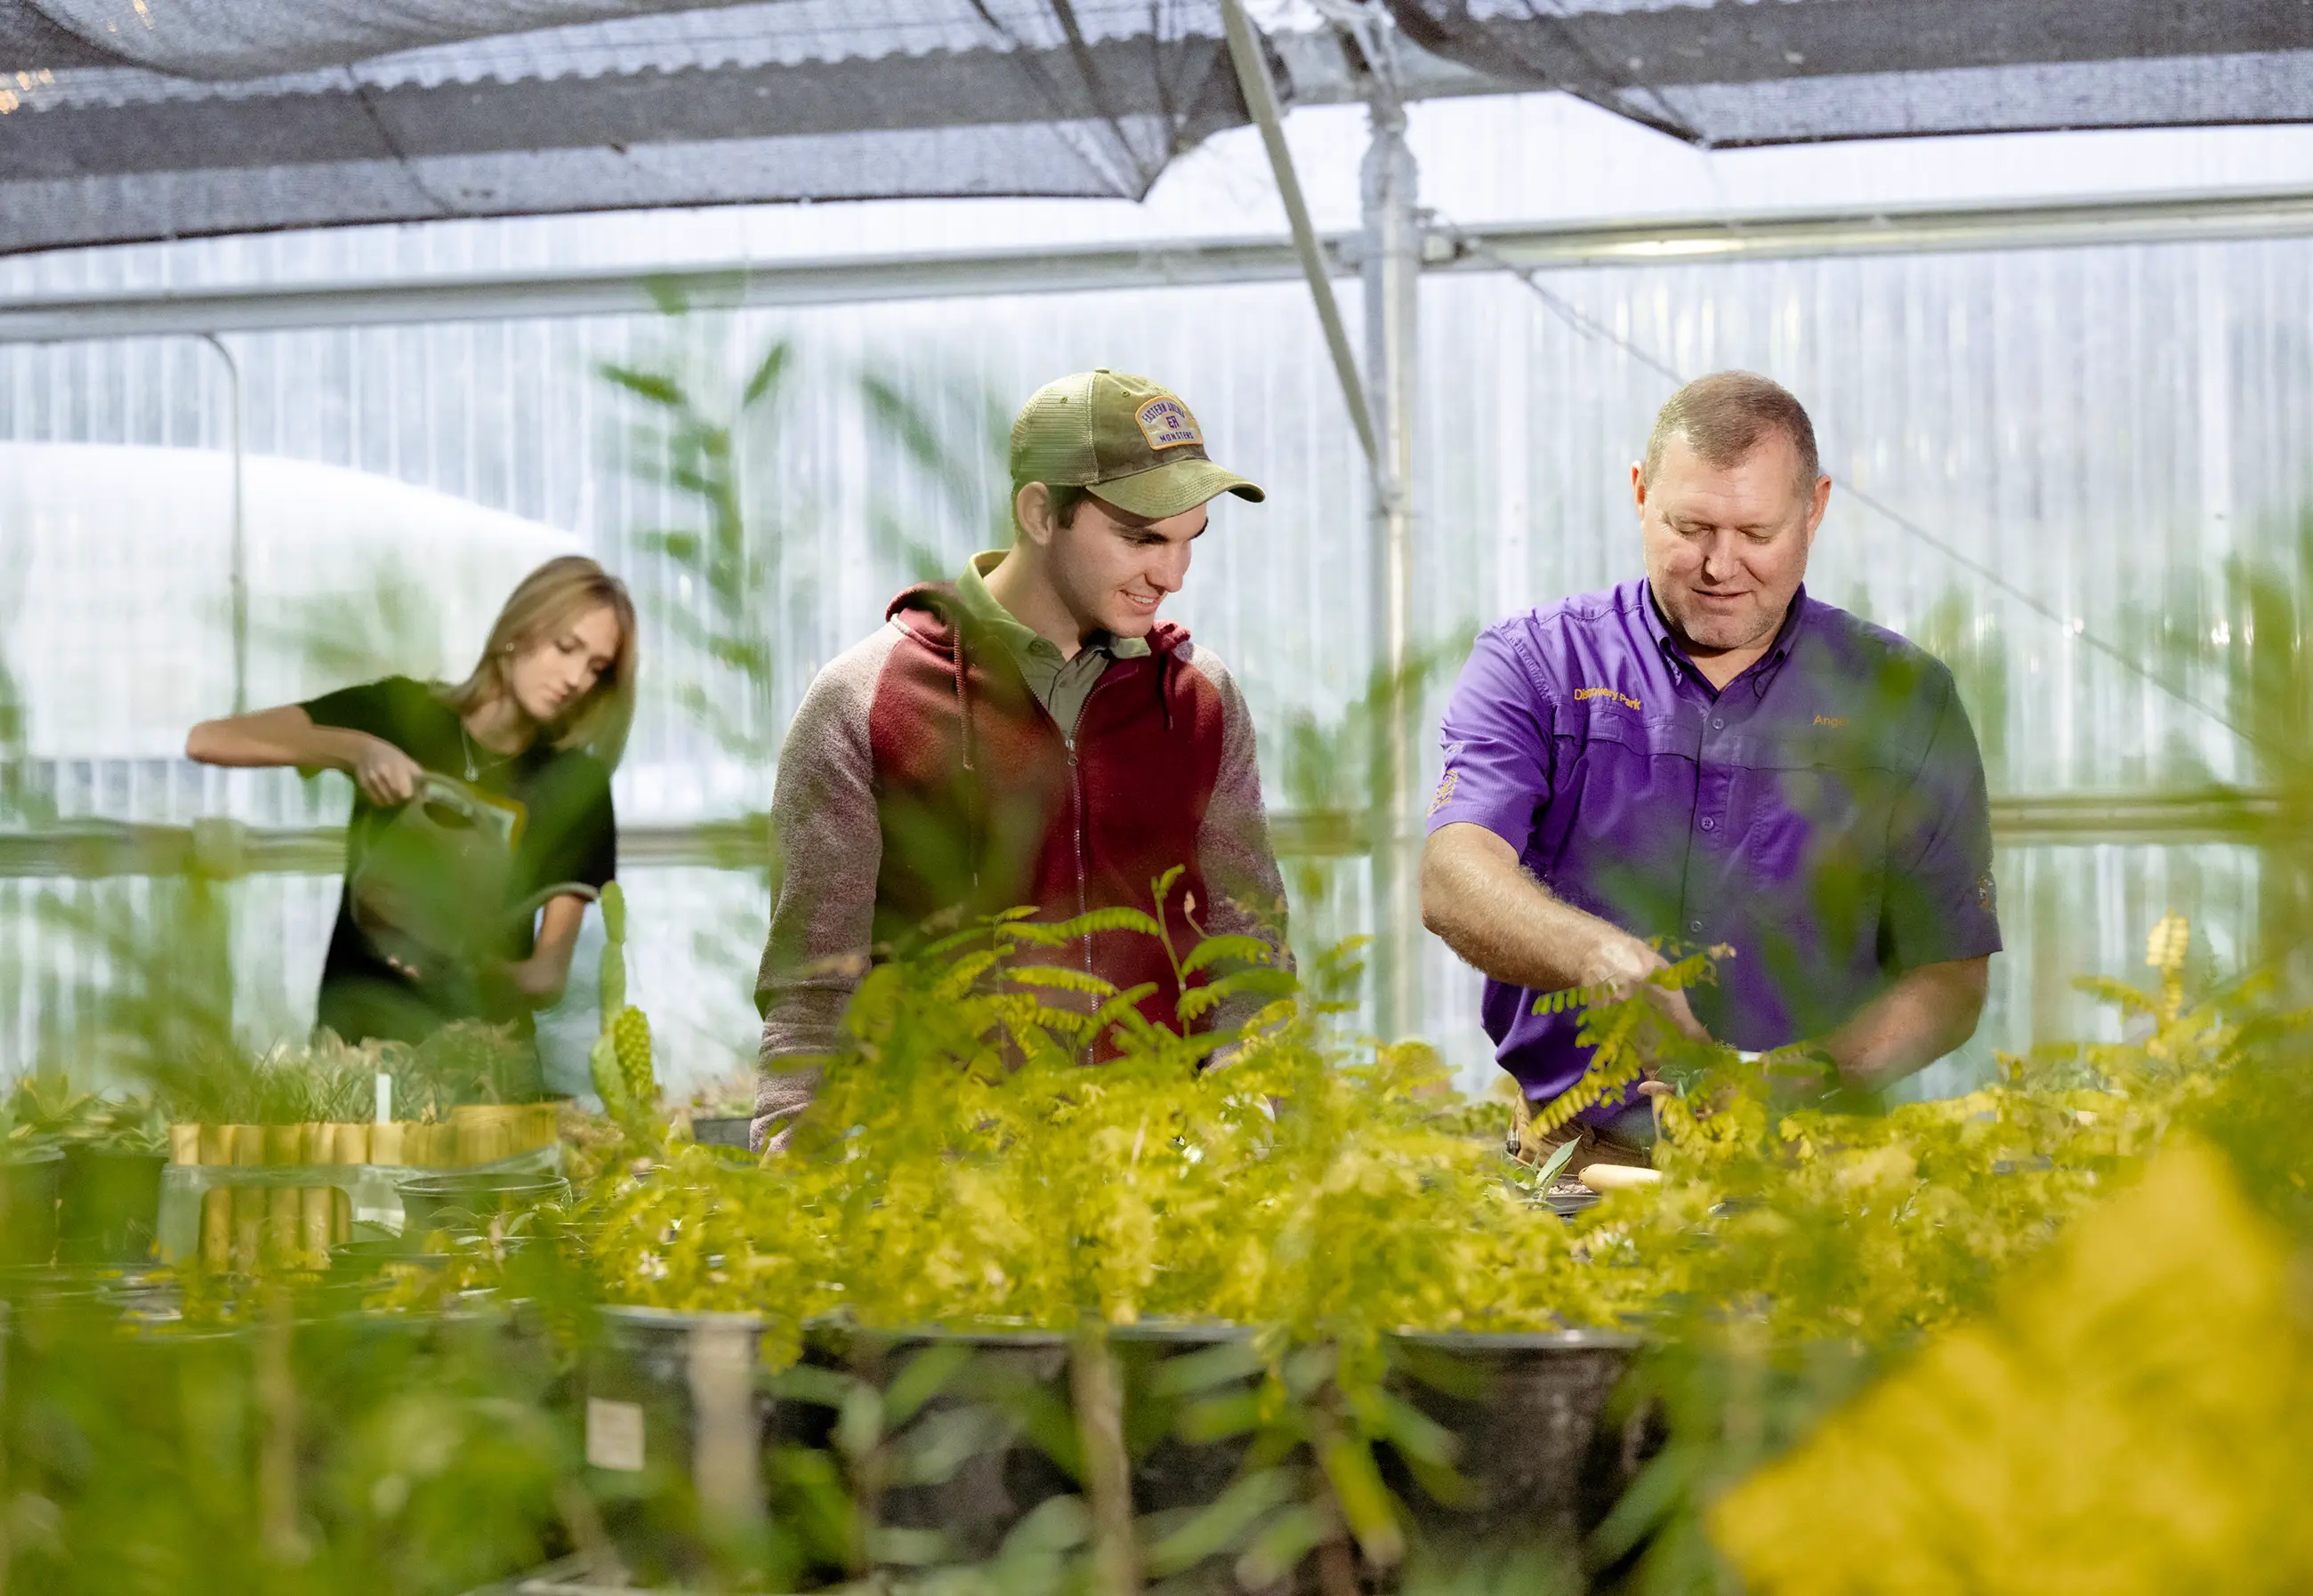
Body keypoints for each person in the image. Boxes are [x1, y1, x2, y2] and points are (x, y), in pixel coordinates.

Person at [1422, 372, 2001, 1175]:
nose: (1720, 565)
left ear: (1815, 509)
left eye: (1757, 533)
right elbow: (1454, 875)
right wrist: (1602, 958)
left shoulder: (1902, 699)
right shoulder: (1537, 663)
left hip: (1805, 1187)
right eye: (1689, 526)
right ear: (1638, 494)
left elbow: (1949, 975)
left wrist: (1802, 1075)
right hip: (1577, 1172)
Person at [754, 367, 1291, 1149]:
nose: (1172, 577)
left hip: (1161, 1196)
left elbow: (1249, 954)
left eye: (1188, 542)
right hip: (940, 1203)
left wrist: (1245, 1130)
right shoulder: (866, 700)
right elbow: (813, 984)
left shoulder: (1201, 698)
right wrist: (798, 1175)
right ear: (1041, 512)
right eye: (1141, 539)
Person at [189, 556, 637, 1084]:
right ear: (519, 631)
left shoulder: (573, 783)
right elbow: (209, 739)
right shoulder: (402, 713)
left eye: (597, 668)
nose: (576, 679)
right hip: (356, 1066)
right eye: (567, 648)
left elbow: (546, 975)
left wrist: (460, 972)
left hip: (486, 1076)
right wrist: (355, 750)